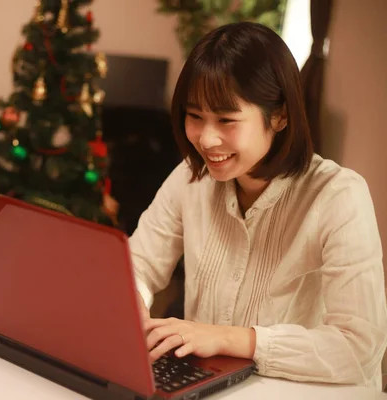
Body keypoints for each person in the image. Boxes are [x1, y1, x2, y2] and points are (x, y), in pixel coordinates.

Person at [130, 21, 387, 390]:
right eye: (194, 116)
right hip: (208, 388)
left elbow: (359, 346)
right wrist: (133, 305)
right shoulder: (192, 177)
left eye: (227, 120)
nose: (206, 138)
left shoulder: (339, 195)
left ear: (280, 115)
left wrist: (229, 338)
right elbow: (137, 265)